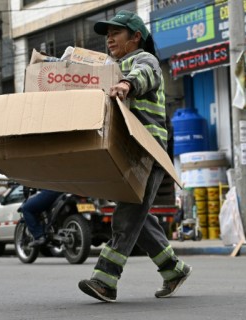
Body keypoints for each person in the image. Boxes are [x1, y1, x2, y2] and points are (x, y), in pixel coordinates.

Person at [78, 10, 192, 302]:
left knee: (128, 214)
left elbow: (145, 75)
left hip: (147, 151)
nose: (109, 39)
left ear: (135, 37)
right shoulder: (111, 67)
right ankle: (173, 268)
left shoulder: (143, 60)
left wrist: (127, 84)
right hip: (127, 149)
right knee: (137, 215)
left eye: (116, 33)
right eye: (107, 34)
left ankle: (105, 279)